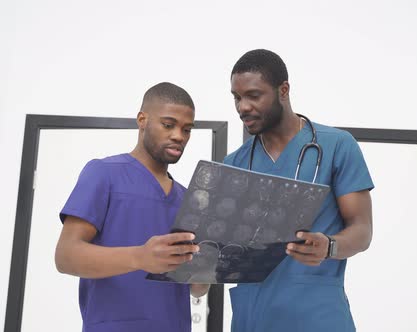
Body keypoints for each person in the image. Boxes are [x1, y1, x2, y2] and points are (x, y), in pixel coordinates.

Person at [224, 49, 374, 331]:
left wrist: (329, 246)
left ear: (284, 90)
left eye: (254, 95)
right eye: (236, 97)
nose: (242, 107)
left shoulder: (337, 146)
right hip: (253, 317)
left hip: (317, 315)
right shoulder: (234, 164)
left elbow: (362, 230)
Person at [55, 82, 209, 332]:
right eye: (168, 125)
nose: (179, 136)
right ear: (142, 119)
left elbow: (197, 288)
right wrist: (140, 257)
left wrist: (206, 269)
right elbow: (65, 256)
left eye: (187, 129)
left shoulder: (188, 198)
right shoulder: (103, 174)